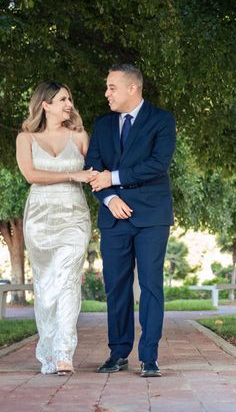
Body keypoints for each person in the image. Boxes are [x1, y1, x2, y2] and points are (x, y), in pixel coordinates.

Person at [86, 64, 176, 378]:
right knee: (117, 287)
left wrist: (116, 177)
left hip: (152, 215)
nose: (106, 93)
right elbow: (93, 168)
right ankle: (118, 352)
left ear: (132, 88)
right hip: (113, 217)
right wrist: (110, 198)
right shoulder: (102, 125)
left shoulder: (162, 120)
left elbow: (158, 164)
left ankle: (149, 356)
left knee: (151, 286)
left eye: (112, 87)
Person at [16, 82, 96, 376]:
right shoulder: (25, 139)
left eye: (70, 99)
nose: (69, 104)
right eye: (63, 99)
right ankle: (48, 350)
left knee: (67, 281)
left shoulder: (79, 136)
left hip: (74, 217)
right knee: (46, 285)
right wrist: (72, 174)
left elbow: (96, 169)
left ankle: (64, 352)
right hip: (39, 217)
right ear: (45, 105)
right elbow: (31, 175)